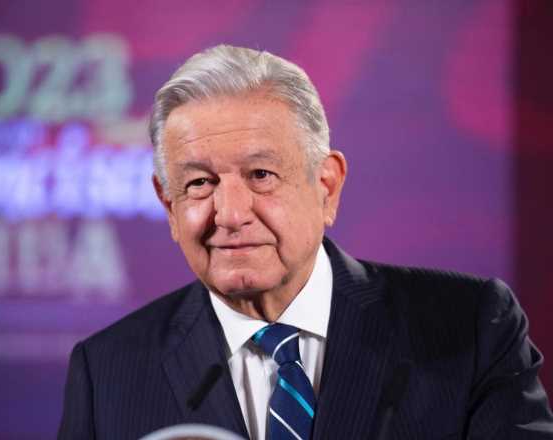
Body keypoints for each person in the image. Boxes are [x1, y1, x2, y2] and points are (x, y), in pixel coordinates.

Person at [58, 45, 553, 440]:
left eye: (261, 174)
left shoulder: (469, 328)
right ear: (169, 206)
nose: (230, 214)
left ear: (326, 187)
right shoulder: (108, 373)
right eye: (199, 184)